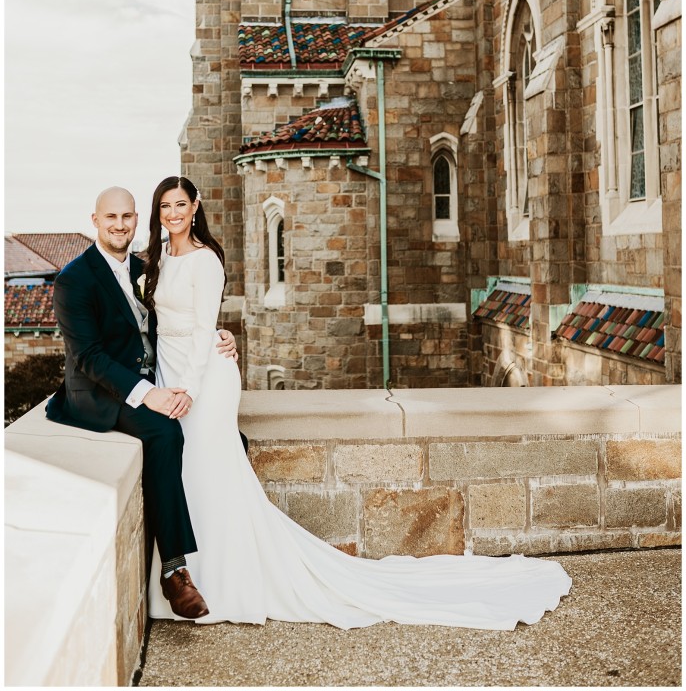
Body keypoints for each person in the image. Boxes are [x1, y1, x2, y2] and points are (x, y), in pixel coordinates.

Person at [146, 175, 572, 629]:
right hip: (168, 372)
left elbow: (201, 329)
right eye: (165, 206)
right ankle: (184, 575)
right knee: (185, 474)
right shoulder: (157, 259)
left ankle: (229, 583)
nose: (173, 214)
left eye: (180, 205)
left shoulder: (206, 260)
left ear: (195, 208)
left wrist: (188, 388)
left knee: (210, 472)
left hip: (203, 380)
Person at [47, 185, 240, 621]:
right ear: (95, 220)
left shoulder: (144, 266)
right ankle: (174, 571)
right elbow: (89, 357)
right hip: (98, 394)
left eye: (127, 217)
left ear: (137, 220)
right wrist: (147, 393)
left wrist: (218, 337)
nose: (120, 225)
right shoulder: (74, 279)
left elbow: (180, 313)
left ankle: (226, 545)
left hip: (156, 378)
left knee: (226, 440)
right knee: (165, 431)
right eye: (111, 217)